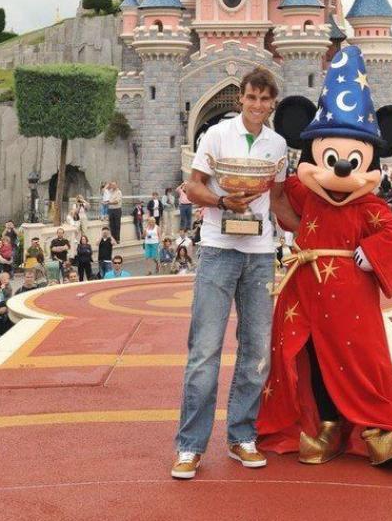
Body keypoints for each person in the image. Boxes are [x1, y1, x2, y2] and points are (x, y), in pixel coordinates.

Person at [172, 66, 294, 480]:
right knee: (205, 350)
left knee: (257, 351)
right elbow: (194, 187)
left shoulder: (278, 145)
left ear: (272, 103)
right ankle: (190, 446)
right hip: (219, 249)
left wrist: (316, 230)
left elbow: (277, 201)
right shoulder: (216, 135)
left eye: (265, 99)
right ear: (240, 98)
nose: (258, 105)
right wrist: (225, 204)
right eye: (252, 97)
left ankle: (242, 434)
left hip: (260, 252)